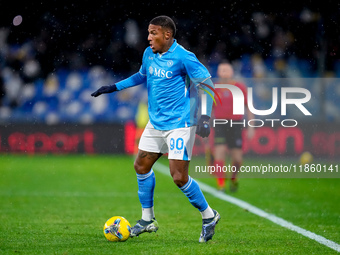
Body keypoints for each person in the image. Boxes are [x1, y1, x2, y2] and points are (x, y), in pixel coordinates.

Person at [91, 15, 220, 243]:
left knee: (179, 177)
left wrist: (206, 117)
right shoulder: (149, 53)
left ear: (167, 34)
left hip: (180, 124)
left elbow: (207, 85)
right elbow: (142, 75)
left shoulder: (184, 57)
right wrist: (114, 87)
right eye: (148, 33)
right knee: (141, 166)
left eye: (153, 33)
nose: (148, 37)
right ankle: (147, 219)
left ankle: (209, 216)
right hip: (156, 123)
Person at [212, 62, 254, 192]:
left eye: (226, 70)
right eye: (221, 70)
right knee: (220, 152)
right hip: (219, 123)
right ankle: (221, 185)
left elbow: (249, 107)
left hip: (236, 124)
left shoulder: (240, 87)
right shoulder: (214, 88)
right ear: (218, 72)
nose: (224, 72)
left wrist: (251, 126)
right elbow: (208, 109)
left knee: (237, 159)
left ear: (231, 72)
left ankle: (233, 178)